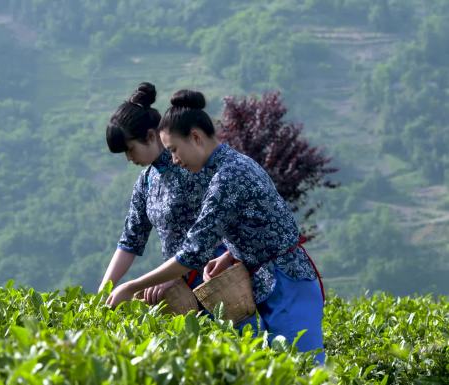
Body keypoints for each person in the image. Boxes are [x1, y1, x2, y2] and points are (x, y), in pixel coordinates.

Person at [106, 89, 326, 363]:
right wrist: (230, 254)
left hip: (284, 280)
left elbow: (194, 251)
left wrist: (131, 287)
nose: (173, 159)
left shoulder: (227, 175)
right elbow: (258, 225)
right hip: (267, 282)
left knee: (304, 371)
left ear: (195, 137)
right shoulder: (225, 168)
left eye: (174, 149)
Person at [99, 82, 226, 305]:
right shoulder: (147, 180)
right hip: (178, 287)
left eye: (130, 149)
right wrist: (103, 292)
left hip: (217, 275)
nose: (129, 158)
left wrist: (176, 273)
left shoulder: (192, 165)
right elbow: (131, 240)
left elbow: (214, 229)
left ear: (150, 136)